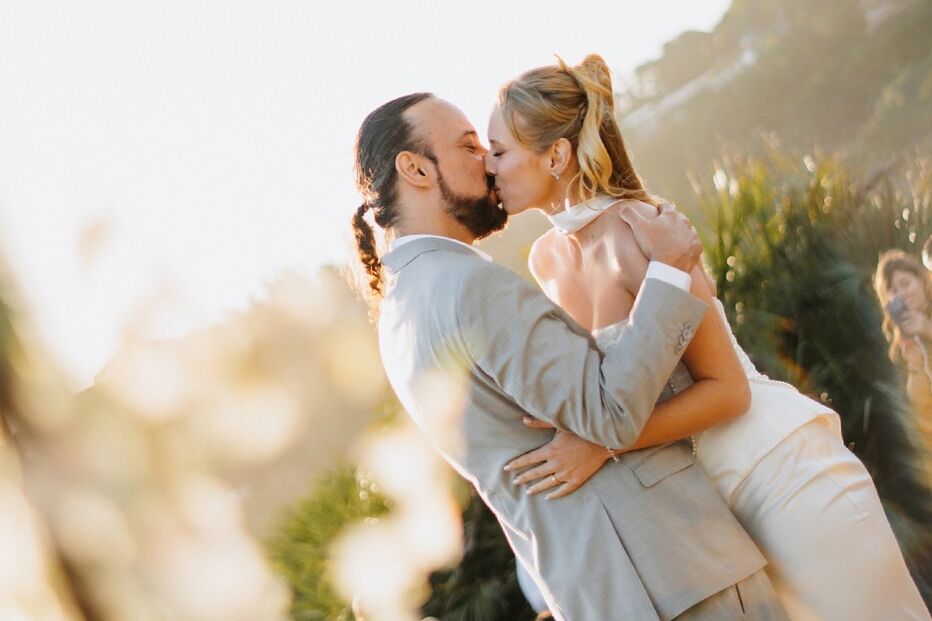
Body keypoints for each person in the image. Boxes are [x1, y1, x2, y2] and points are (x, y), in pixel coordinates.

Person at [487, 54, 930, 621]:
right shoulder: (545, 261)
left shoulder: (644, 230)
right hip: (711, 522)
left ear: (556, 154)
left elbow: (727, 392)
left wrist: (604, 443)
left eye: (499, 151)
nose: (489, 167)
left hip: (782, 473)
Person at [351, 92, 787, 620]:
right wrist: (669, 272)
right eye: (469, 146)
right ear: (416, 168)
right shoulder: (469, 286)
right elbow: (610, 413)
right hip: (677, 575)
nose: (487, 162)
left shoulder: (396, 318)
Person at [874, 249, 932, 450]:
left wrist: (928, 329)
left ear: (922, 280)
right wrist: (915, 366)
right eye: (893, 290)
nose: (902, 294)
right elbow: (921, 409)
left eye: (906, 283)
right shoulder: (900, 350)